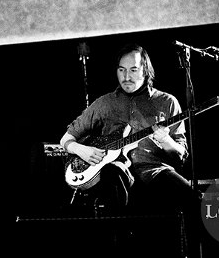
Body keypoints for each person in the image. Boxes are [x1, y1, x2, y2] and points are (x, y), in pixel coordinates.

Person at [59, 43, 202, 254]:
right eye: (121, 69)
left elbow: (180, 155)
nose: (126, 76)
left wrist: (166, 141)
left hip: (154, 171)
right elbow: (66, 138)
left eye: (133, 70)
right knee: (113, 176)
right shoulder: (104, 104)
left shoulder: (167, 103)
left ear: (146, 70)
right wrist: (82, 150)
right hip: (117, 173)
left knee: (195, 201)